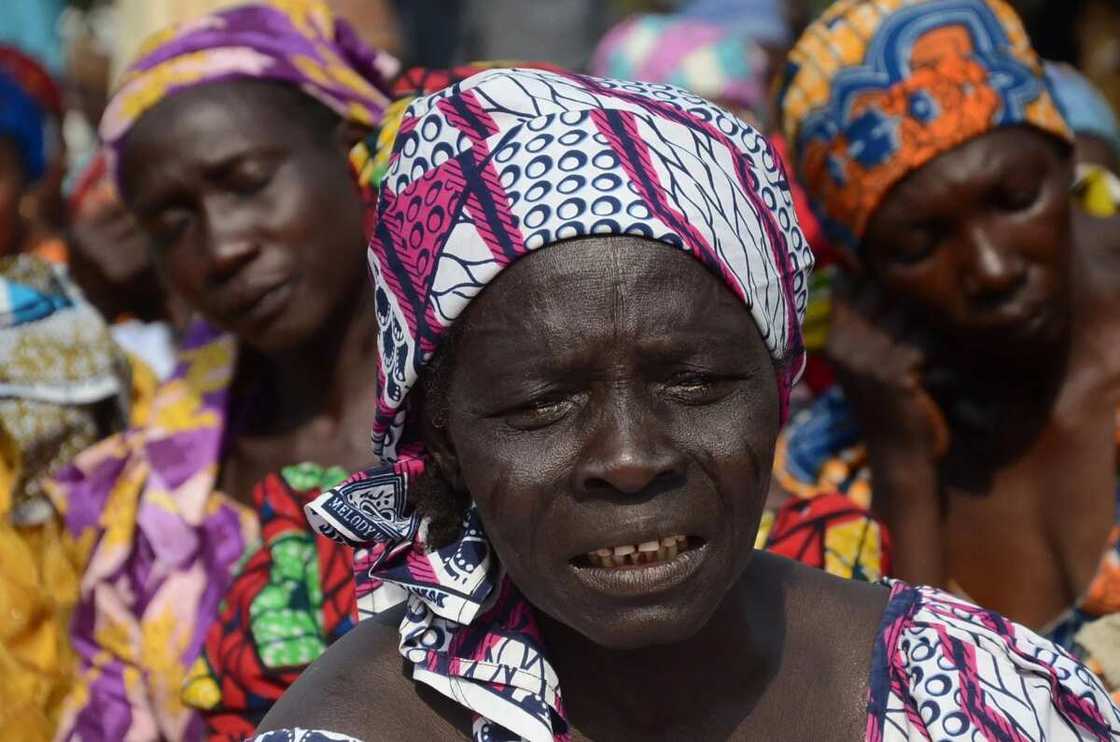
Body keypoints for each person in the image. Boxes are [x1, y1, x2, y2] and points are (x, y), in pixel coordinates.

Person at [253, 67, 1119, 741]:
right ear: (440, 439)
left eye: (697, 382)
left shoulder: (970, 696)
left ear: (779, 384)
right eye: (541, 404)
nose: (631, 459)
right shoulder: (347, 730)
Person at [44, 2, 399, 738]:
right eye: (173, 223)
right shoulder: (149, 499)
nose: (222, 246)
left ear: (352, 147)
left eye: (247, 181)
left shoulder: (493, 416)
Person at [775, 0, 1120, 699]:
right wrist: (905, 472)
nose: (991, 268)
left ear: (1063, 159)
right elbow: (907, 714)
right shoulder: (840, 465)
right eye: (919, 245)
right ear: (863, 269)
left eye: (1015, 198)